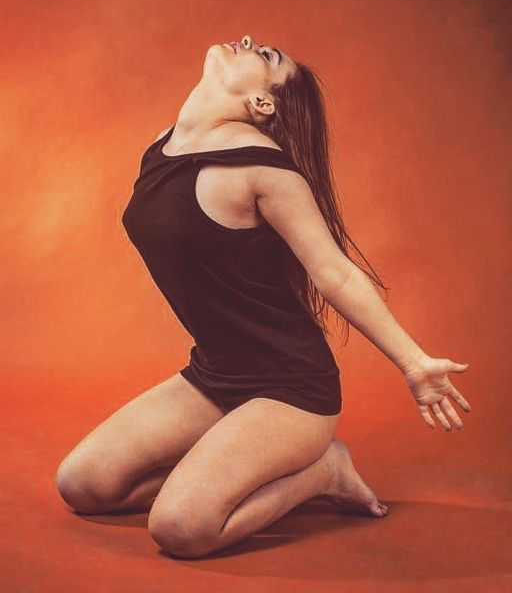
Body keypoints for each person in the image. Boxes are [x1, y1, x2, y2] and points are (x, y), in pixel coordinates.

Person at [55, 34, 472, 559]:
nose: (250, 40)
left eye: (268, 56)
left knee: (181, 528)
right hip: (214, 377)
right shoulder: (165, 144)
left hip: (291, 390)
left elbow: (335, 275)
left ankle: (324, 471)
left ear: (262, 102)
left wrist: (414, 364)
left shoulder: (262, 169)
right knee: (83, 485)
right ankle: (220, 470)